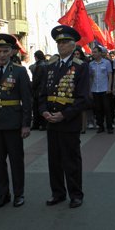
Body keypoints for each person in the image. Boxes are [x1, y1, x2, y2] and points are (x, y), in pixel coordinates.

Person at [39, 25, 89, 209]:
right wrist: (43, 111)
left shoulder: (81, 67)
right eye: (58, 42)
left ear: (73, 45)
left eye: (64, 42)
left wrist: (64, 114)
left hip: (69, 121)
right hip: (51, 120)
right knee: (54, 161)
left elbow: (84, 98)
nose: (60, 46)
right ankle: (58, 193)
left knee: (71, 160)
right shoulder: (50, 66)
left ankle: (76, 194)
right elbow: (42, 93)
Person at [0, 33, 32, 209]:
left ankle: (19, 194)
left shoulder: (19, 71)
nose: (2, 55)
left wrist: (26, 124)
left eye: (5, 51)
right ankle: (3, 194)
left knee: (16, 161)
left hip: (13, 123)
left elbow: (27, 99)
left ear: (12, 52)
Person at [89, 46, 113, 133]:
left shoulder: (106, 63)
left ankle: (109, 127)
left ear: (100, 53)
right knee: (98, 109)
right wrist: (90, 90)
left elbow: (110, 75)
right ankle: (101, 126)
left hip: (105, 89)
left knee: (107, 108)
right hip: (95, 89)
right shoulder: (91, 64)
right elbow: (90, 77)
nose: (93, 54)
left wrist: (109, 87)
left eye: (95, 52)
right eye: (93, 52)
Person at [31, 50, 47, 130]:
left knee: (37, 107)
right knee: (41, 107)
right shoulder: (45, 63)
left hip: (38, 89)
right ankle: (42, 124)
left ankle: (38, 124)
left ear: (36, 57)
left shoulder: (40, 65)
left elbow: (37, 79)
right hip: (43, 88)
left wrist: (32, 86)